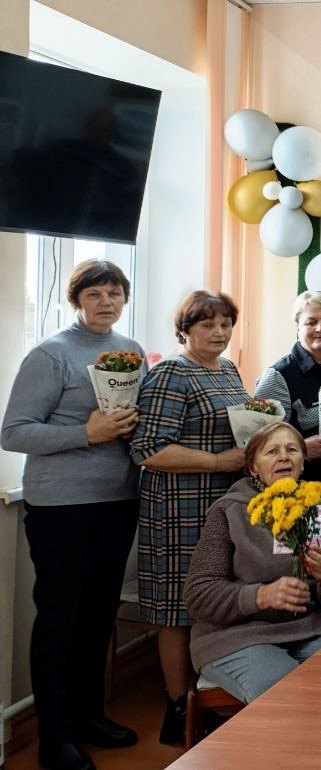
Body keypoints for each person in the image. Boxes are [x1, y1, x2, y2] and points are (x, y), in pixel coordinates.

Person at [1, 261, 145, 770]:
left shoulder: (130, 351)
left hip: (117, 501)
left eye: (115, 293)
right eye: (95, 294)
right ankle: (54, 738)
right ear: (76, 300)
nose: (106, 302)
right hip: (61, 507)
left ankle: (88, 717)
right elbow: (13, 432)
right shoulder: (51, 354)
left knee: (98, 616)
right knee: (60, 620)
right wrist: (87, 433)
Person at [130, 290, 248, 745]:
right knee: (176, 608)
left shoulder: (228, 369)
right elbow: (147, 449)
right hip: (177, 508)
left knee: (213, 599)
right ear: (185, 330)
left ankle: (208, 698)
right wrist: (219, 461)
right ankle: (178, 708)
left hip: (221, 505)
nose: (219, 332)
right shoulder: (171, 374)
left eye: (225, 324)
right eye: (207, 325)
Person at [184, 423, 321, 704]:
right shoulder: (227, 511)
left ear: (302, 463)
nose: (284, 457)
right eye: (272, 451)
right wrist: (261, 596)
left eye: (292, 450)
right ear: (253, 467)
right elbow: (198, 595)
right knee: (286, 695)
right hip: (240, 636)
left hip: (318, 628)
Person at [252, 290, 321, 486]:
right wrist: (301, 448)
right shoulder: (277, 376)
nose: (320, 328)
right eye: (310, 322)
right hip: (300, 491)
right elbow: (257, 445)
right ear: (298, 326)